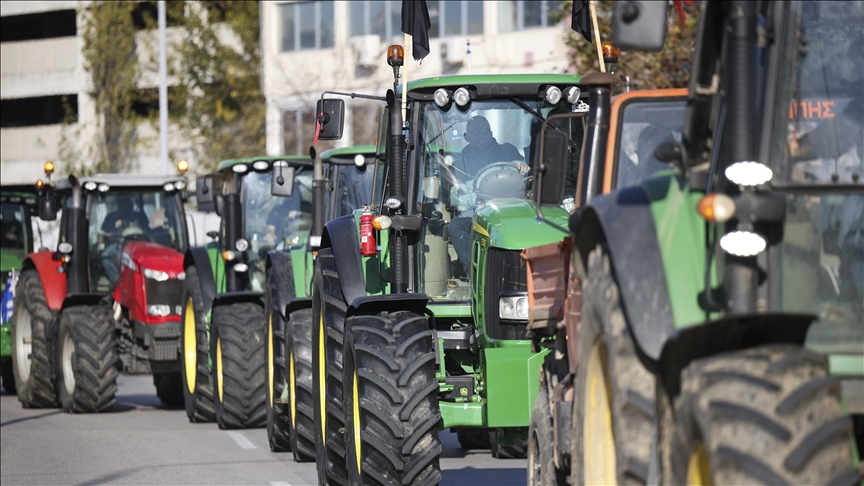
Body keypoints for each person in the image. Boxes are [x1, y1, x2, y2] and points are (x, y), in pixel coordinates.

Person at [449, 116, 528, 278]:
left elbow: (520, 166)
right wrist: (474, 197)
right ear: (467, 137)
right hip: (478, 212)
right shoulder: (461, 160)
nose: (481, 136)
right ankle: (475, 275)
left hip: (512, 210)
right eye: (476, 132)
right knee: (455, 226)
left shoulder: (507, 150)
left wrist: (521, 166)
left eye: (485, 132)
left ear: (491, 133)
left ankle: (526, 274)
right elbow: (455, 195)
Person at [100, 196, 148, 284]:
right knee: (105, 257)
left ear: (129, 204)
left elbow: (146, 229)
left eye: (124, 203)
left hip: (138, 245)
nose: (121, 205)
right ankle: (118, 281)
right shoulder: (110, 217)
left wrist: (126, 223)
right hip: (117, 245)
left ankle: (143, 282)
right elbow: (104, 233)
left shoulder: (137, 216)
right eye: (120, 203)